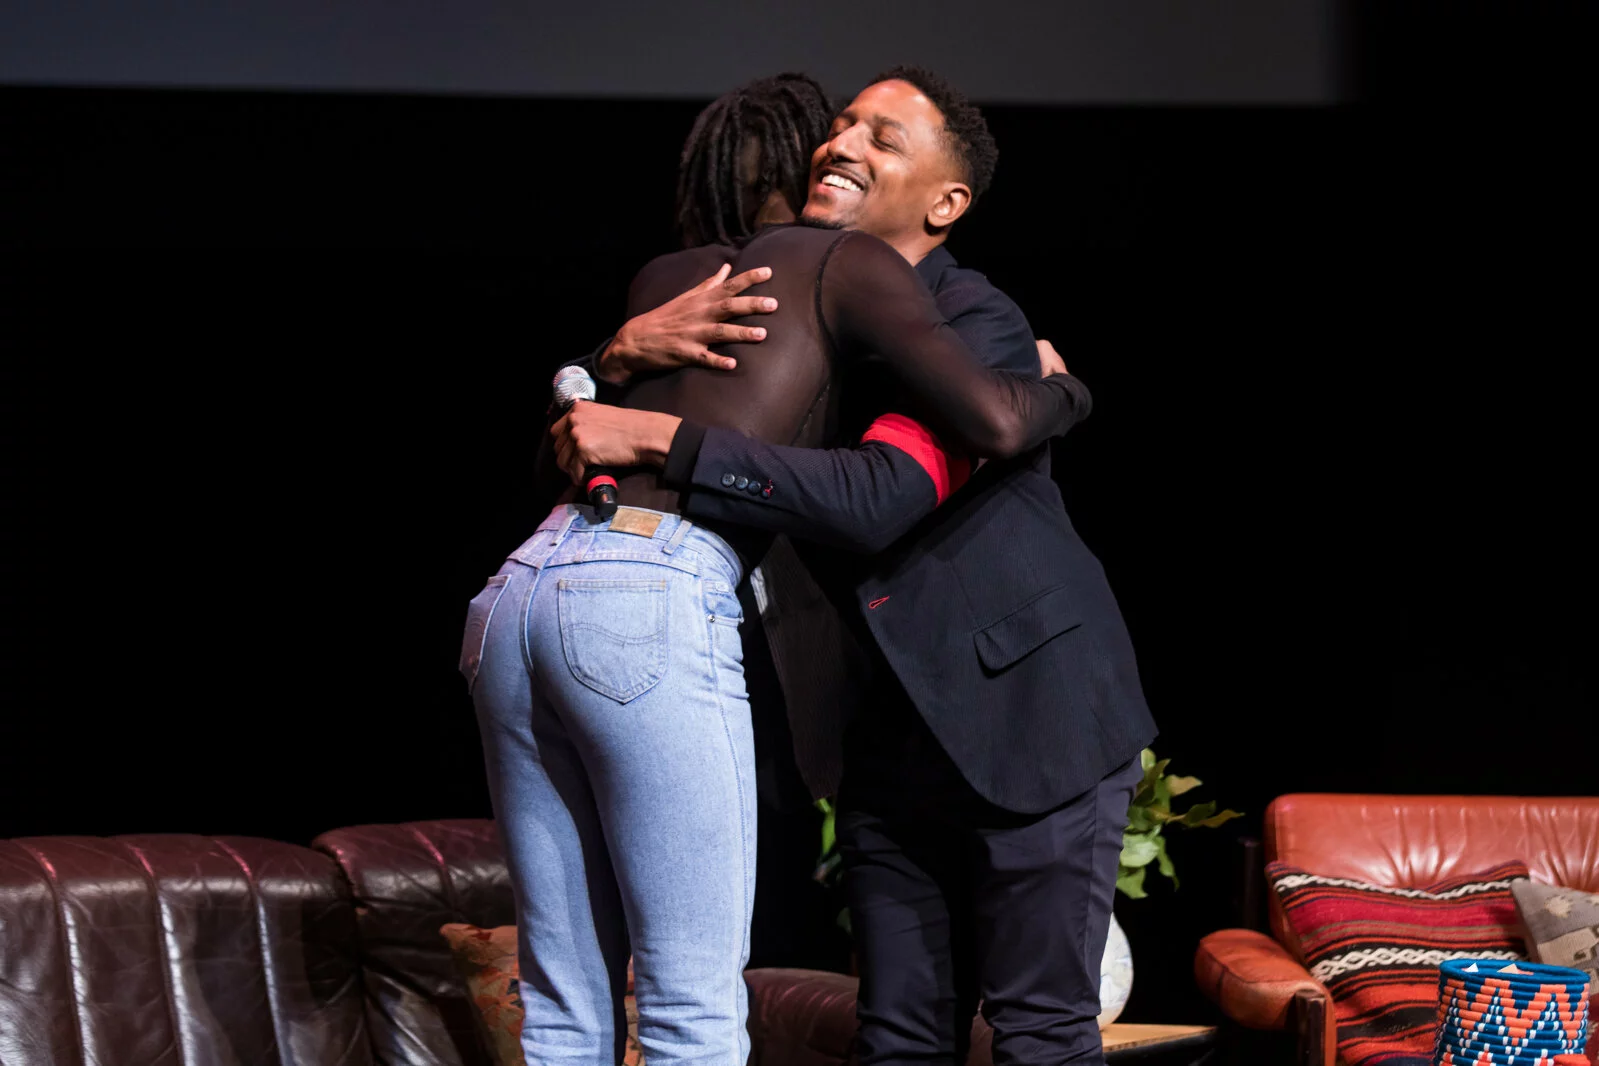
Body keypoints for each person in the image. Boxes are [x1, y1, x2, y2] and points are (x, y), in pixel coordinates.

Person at [462, 73, 1090, 1066]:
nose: (842, 148)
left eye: (879, 137)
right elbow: (977, 427)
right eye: (836, 129)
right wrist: (1064, 393)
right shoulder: (836, 266)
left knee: (566, 1003)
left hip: (520, 595)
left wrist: (622, 387)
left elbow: (885, 479)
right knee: (691, 1006)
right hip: (652, 591)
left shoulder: (682, 279)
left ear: (946, 199)